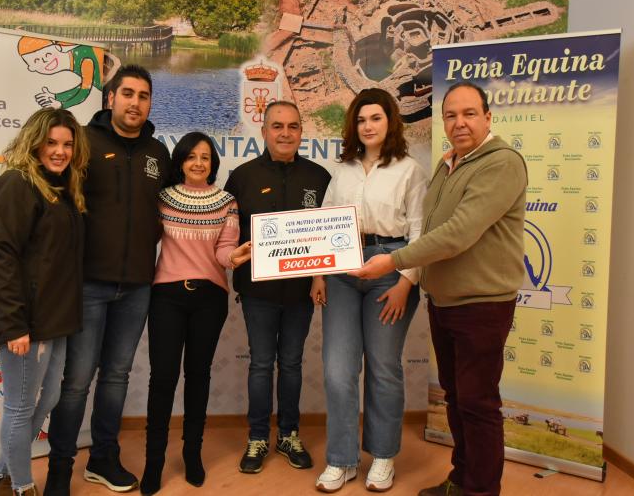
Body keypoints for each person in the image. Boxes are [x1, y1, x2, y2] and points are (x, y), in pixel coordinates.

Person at [350, 81, 528, 496]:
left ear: (488, 117)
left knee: (478, 403)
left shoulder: (501, 163)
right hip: (446, 302)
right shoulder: (451, 164)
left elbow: (457, 234)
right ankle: (461, 480)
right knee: (457, 398)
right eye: (451, 115)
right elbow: (432, 226)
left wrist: (393, 261)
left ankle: (480, 490)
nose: (459, 123)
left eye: (469, 114)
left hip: (481, 305)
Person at [45, 65, 171, 496]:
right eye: (128, 93)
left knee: (116, 376)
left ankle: (102, 459)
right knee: (77, 381)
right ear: (110, 98)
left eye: (144, 96)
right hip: (88, 284)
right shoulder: (82, 142)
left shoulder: (158, 153)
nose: (136, 103)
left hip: (137, 285)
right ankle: (60, 469)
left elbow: (170, 211)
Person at [310, 88, 427, 492]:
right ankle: (341, 460)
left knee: (383, 367)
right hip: (341, 271)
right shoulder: (342, 170)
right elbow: (324, 222)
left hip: (391, 268)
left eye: (376, 118)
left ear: (390, 122)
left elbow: (420, 231)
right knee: (338, 370)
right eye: (361, 120)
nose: (368, 126)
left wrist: (406, 282)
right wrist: (319, 274)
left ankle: (382, 457)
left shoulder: (410, 170)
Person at [0, 108, 89, 496]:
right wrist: (14, 325)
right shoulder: (16, 184)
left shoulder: (62, 187)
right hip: (24, 321)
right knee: (20, 407)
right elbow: (0, 258)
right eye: (51, 143)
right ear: (34, 143)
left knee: (50, 397)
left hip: (54, 318)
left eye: (67, 144)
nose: (60, 151)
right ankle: (21, 487)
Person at [140, 132, 251, 494]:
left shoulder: (227, 203)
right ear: (181, 161)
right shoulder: (162, 198)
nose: (199, 163)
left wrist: (233, 257)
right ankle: (154, 461)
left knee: (198, 375)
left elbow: (224, 250)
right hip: (166, 297)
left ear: (213, 163)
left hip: (209, 298)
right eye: (191, 157)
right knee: (162, 378)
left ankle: (192, 454)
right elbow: (144, 239)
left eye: (205, 157)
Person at [225, 101, 331, 474]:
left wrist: (319, 277)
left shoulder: (320, 177)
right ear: (264, 131)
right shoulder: (242, 177)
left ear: (301, 131)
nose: (285, 133)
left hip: (301, 293)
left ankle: (288, 434)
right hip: (258, 293)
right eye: (277, 126)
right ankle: (257, 437)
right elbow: (229, 235)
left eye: (292, 126)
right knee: (260, 365)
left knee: (291, 364)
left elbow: (326, 235)